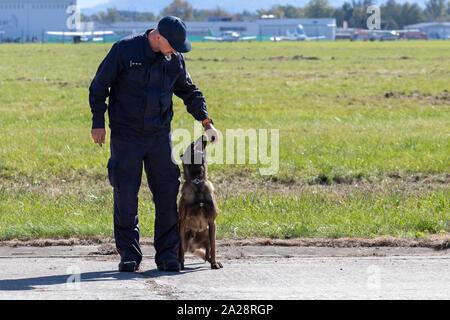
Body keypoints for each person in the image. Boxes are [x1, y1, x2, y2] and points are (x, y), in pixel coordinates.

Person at [89, 16, 218, 272]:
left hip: (159, 135)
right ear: (158, 36)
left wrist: (206, 122)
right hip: (126, 135)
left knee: (168, 193)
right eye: (172, 45)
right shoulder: (125, 50)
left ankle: (168, 254)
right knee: (125, 194)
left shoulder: (175, 59)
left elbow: (189, 92)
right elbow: (99, 85)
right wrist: (97, 122)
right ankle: (129, 254)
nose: (176, 51)